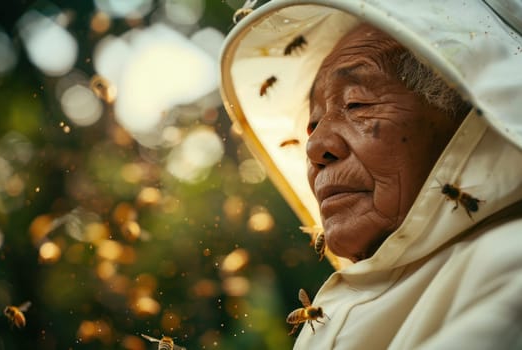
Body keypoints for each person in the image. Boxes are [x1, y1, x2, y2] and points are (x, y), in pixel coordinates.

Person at [220, 1, 522, 349]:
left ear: (471, 117)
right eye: (313, 123)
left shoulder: (508, 266)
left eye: (356, 104)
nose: (314, 144)